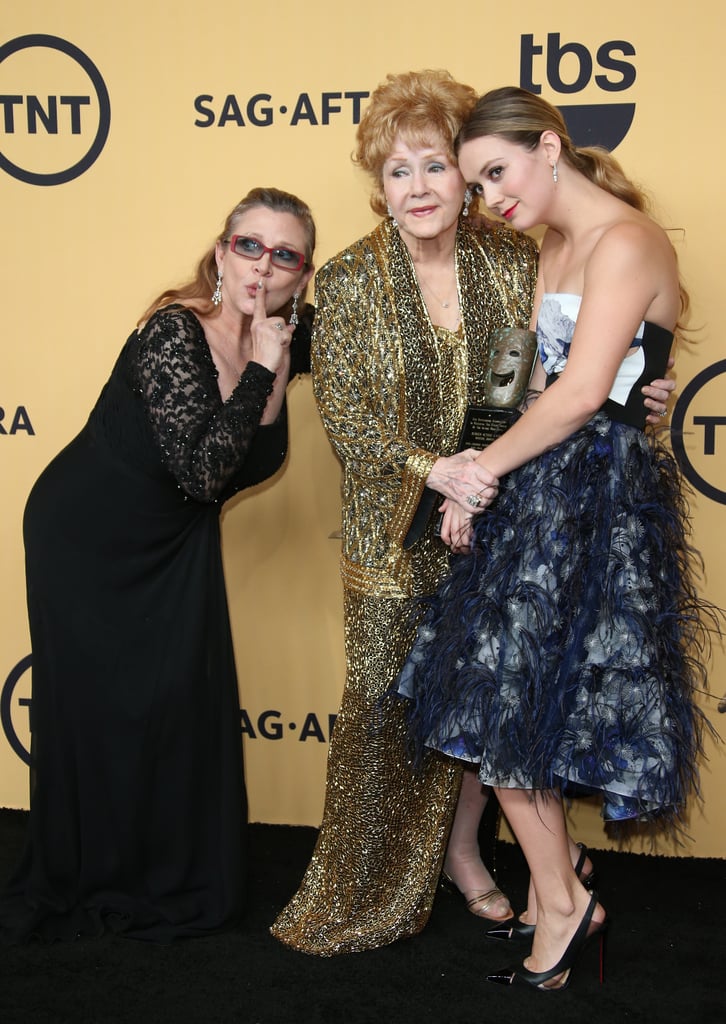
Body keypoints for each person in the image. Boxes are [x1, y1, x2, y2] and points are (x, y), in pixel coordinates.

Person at [271, 71, 672, 957]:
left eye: (439, 169)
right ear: (377, 186)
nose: (420, 189)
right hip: (397, 522)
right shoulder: (345, 282)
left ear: (467, 178)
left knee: (487, 699)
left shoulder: (513, 256)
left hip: (503, 506)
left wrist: (634, 394)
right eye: (397, 172)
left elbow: (546, 377)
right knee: (392, 703)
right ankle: (360, 884)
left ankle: (467, 857)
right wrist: (439, 473)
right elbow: (349, 417)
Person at [397, 86, 711, 990]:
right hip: (543, 486)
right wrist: (471, 473)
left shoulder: (626, 239)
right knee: (503, 692)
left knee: (515, 697)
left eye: (496, 173)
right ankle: (559, 884)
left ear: (548, 146)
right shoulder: (557, 242)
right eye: (477, 183)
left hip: (595, 499)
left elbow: (581, 396)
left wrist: (483, 472)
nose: (490, 197)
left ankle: (564, 903)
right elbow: (541, 378)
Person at [0, 187, 315, 943]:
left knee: (175, 707)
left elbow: (387, 358)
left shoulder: (289, 336)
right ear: (221, 250)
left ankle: (164, 867)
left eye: (284, 255)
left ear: (303, 275)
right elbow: (206, 472)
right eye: (249, 246)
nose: (262, 268)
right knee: (107, 712)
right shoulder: (176, 333)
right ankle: (93, 867)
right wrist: (261, 373)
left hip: (175, 545)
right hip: (90, 538)